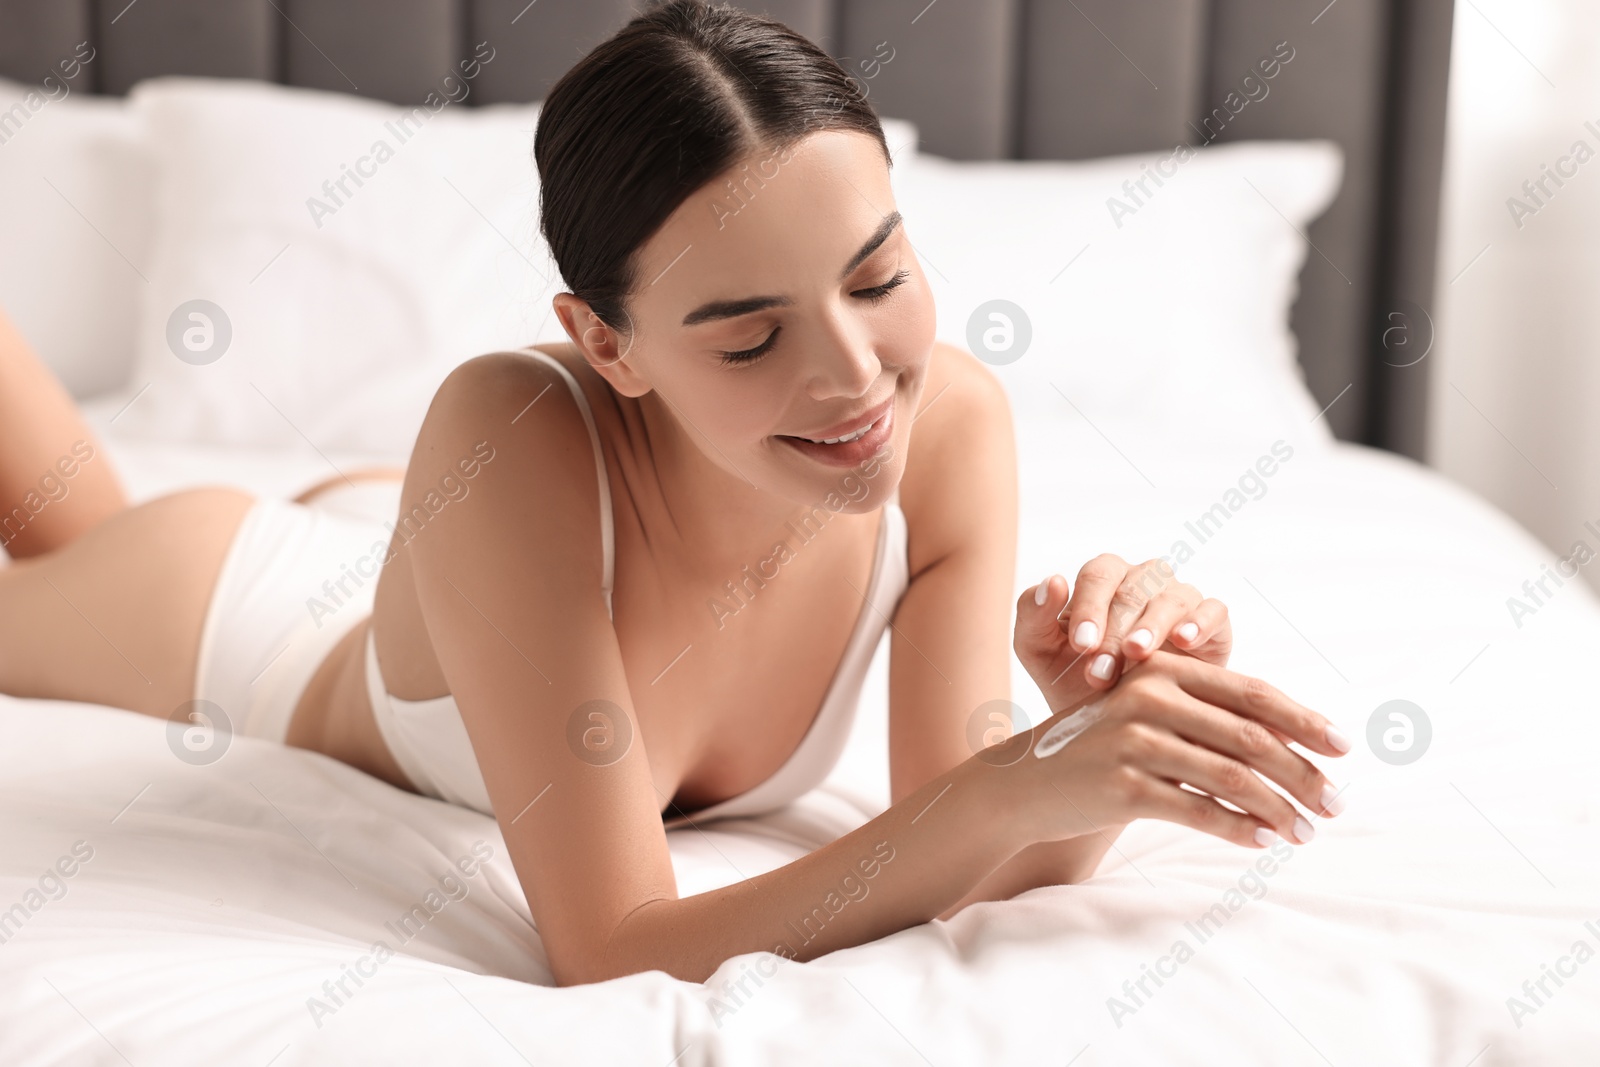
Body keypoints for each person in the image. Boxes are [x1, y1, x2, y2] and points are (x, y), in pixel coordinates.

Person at [0, 0, 1348, 987]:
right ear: (607, 344)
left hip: (470, 569)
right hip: (244, 611)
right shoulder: (510, 421)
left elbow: (959, 857)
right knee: (62, 544)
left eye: (879, 281)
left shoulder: (950, 427)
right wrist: (1013, 788)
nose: (856, 381)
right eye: (750, 338)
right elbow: (611, 943)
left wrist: (1084, 746)